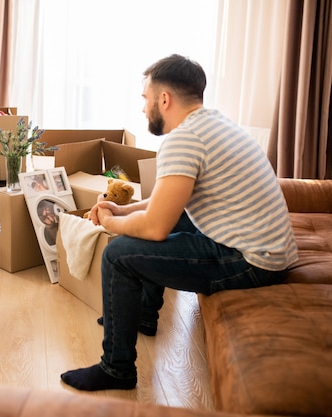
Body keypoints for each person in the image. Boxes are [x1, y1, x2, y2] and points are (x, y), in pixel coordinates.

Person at [60, 54, 298, 391]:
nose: (143, 109)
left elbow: (155, 227)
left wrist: (112, 224)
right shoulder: (214, 124)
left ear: (164, 99)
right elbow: (166, 205)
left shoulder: (183, 140)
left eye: (145, 99)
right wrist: (123, 210)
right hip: (269, 252)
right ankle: (142, 314)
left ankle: (116, 368)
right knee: (175, 218)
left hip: (252, 262)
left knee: (119, 256)